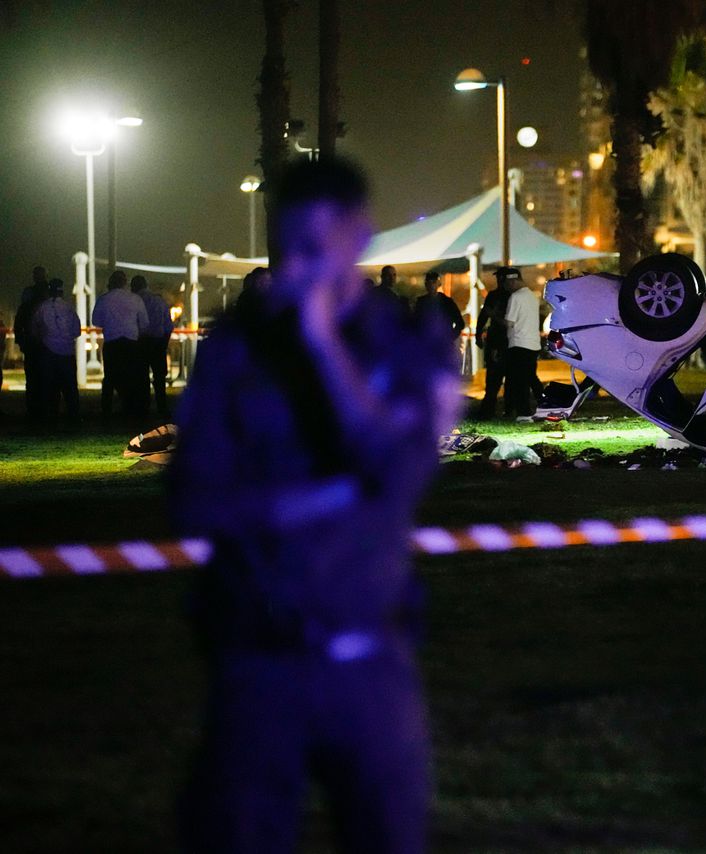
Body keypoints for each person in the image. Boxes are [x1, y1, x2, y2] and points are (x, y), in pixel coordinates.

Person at [171, 156, 460, 854]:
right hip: (255, 660)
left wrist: (324, 344)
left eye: (317, 246)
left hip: (371, 658)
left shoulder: (406, 341)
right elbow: (192, 499)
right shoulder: (237, 350)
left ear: (358, 237)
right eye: (291, 245)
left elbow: (400, 473)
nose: (302, 265)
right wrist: (318, 500)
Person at [92, 269, 150, 419]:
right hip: (131, 343)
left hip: (112, 343)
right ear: (125, 283)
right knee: (131, 377)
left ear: (110, 283)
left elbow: (95, 321)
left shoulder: (104, 299)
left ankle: (107, 409)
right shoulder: (135, 299)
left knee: (110, 377)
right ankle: (130, 408)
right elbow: (144, 323)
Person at [31, 277, 81, 425]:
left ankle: (51, 416)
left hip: (48, 351)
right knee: (70, 387)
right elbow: (76, 330)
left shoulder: (42, 307)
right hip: (66, 351)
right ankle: (73, 416)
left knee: (49, 387)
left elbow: (34, 329)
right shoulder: (68, 308)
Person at [503, 266, 543, 417]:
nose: (505, 288)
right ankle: (546, 403)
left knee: (520, 381)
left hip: (519, 343)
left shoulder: (515, 297)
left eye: (506, 284)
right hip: (533, 343)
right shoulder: (532, 296)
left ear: (512, 282)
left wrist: (494, 316)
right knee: (531, 377)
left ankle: (524, 413)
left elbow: (510, 322)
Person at [132, 275, 175, 418]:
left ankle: (143, 408)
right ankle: (161, 407)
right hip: (158, 342)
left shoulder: (133, 301)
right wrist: (164, 343)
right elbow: (168, 326)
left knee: (141, 376)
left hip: (140, 342)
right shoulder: (159, 301)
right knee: (159, 377)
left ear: (134, 287)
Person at [474, 272, 513, 418]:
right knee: (495, 379)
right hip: (499, 340)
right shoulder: (500, 295)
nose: (499, 281)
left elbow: (485, 316)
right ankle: (494, 410)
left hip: (503, 339)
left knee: (498, 378)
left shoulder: (510, 296)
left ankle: (497, 410)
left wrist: (478, 334)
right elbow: (484, 316)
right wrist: (478, 334)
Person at [13, 265, 50, 421]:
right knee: (45, 379)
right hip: (45, 344)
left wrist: (21, 341)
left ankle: (33, 410)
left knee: (32, 379)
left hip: (31, 343)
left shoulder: (27, 300)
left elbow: (19, 321)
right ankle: (45, 410)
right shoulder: (48, 297)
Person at [414, 270, 464, 339]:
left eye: (433, 282)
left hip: (438, 341)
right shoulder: (421, 302)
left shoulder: (447, 302)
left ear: (438, 284)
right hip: (428, 342)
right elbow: (415, 323)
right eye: (429, 283)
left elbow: (460, 323)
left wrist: (449, 338)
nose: (431, 285)